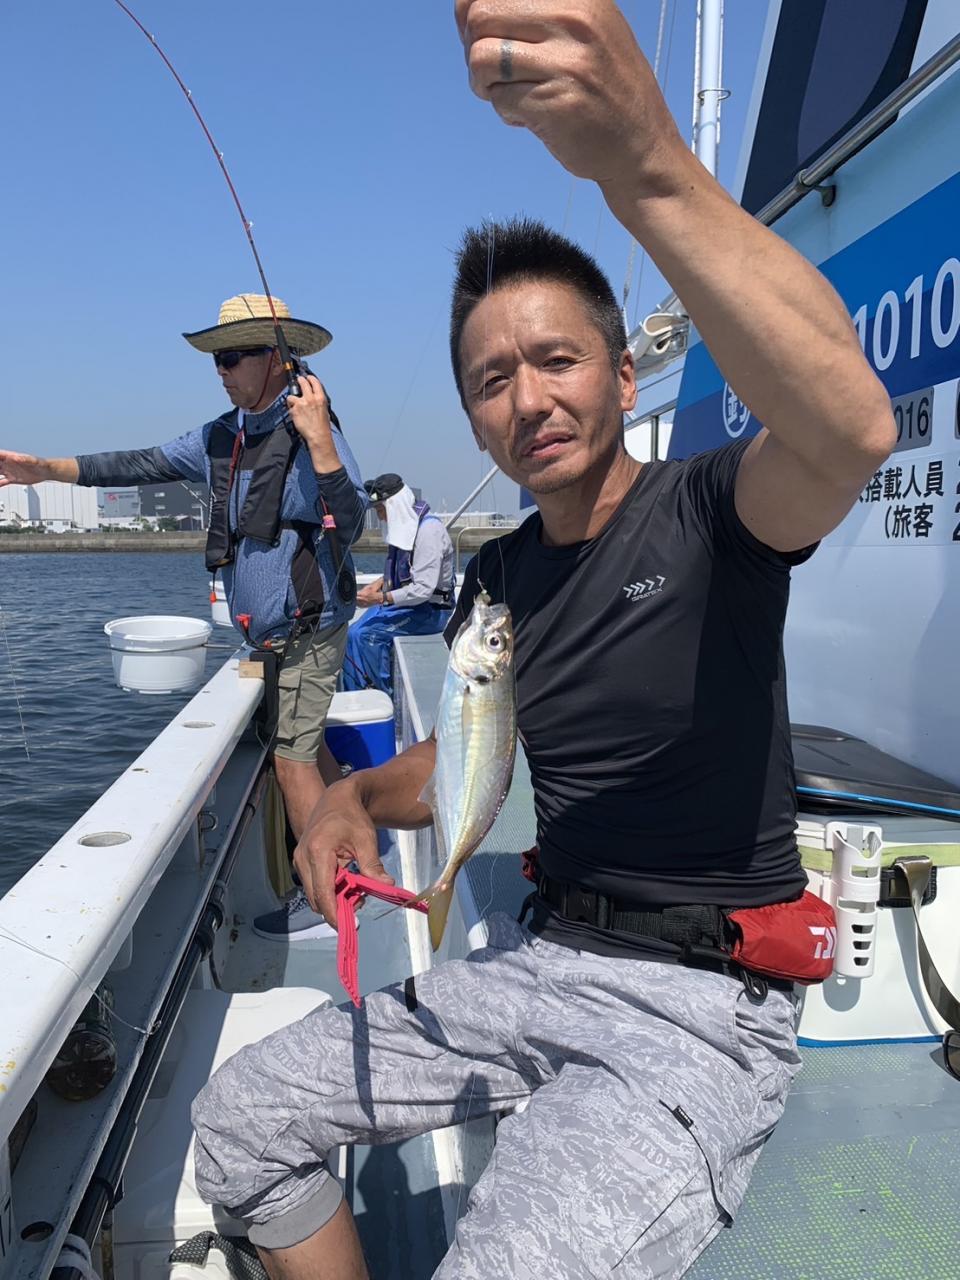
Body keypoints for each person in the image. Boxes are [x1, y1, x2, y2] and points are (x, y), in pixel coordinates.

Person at [189, 3, 895, 1277]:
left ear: (623, 376)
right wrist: (352, 796)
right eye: (491, 380)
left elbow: (849, 430)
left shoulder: (717, 513)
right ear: (474, 419)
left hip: (696, 1007)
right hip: (539, 955)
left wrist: (643, 160)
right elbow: (478, 753)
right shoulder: (501, 576)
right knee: (239, 1123)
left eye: (557, 359)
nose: (528, 398)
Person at [0, 293, 368, 943]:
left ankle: (334, 902)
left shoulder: (314, 432)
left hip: (309, 630)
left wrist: (319, 442)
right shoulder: (220, 437)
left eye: (233, 356)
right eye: (216, 358)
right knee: (305, 751)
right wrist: (44, 471)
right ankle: (358, 847)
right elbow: (137, 464)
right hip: (267, 634)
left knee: (292, 762)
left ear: (277, 359)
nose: (220, 370)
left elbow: (355, 519)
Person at [341, 472, 455, 696]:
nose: (381, 517)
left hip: (431, 611)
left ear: (395, 506)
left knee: (367, 636)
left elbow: (422, 590)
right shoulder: (408, 528)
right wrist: (378, 584)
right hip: (407, 606)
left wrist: (380, 598)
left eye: (381, 510)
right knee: (352, 632)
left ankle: (381, 699)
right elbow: (403, 569)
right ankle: (357, 697)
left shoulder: (428, 531)